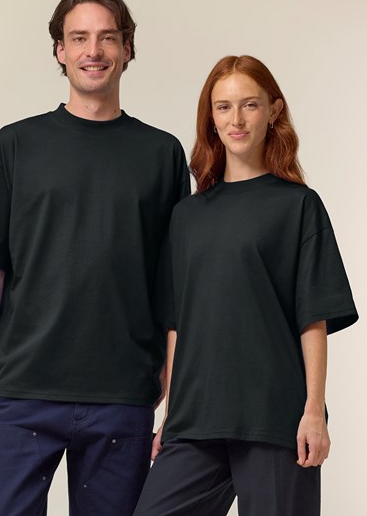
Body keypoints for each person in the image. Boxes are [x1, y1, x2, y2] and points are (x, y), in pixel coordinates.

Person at [0, 0, 190, 516]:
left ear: (127, 48)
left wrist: (173, 388)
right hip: (23, 388)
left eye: (108, 37)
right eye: (79, 38)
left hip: (122, 393)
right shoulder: (14, 146)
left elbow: (174, 283)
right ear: (59, 50)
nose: (93, 51)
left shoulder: (162, 155)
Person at [134, 55, 358, 516]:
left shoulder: (299, 207)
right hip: (197, 419)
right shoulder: (187, 216)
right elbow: (177, 323)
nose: (236, 120)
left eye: (249, 105)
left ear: (273, 110)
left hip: (275, 417)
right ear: (211, 118)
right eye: (223, 107)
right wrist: (171, 415)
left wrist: (313, 411)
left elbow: (313, 317)